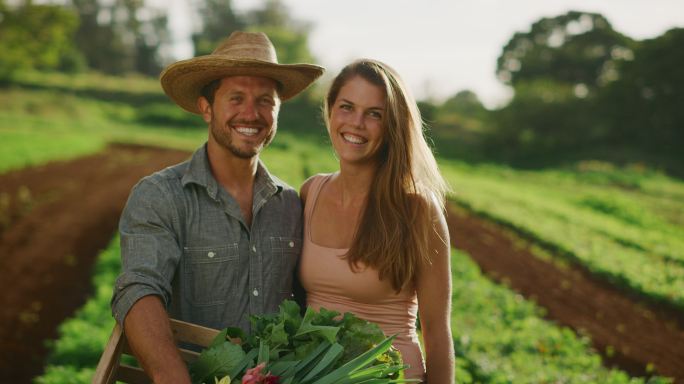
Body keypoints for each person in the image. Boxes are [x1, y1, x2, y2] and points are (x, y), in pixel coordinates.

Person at [110, 31, 324, 383]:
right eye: (236, 98)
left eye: (266, 101)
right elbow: (139, 290)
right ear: (206, 107)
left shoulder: (290, 205)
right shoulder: (161, 196)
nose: (251, 113)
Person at [298, 59, 454, 382]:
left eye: (374, 114)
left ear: (392, 125)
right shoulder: (310, 193)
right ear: (330, 111)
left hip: (389, 376)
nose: (356, 123)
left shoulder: (417, 211)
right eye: (346, 107)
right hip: (312, 375)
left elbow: (437, 336)